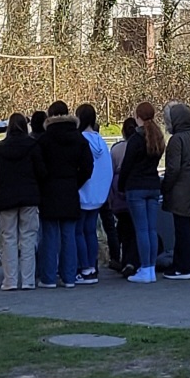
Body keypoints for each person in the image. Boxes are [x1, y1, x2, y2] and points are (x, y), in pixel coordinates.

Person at [36, 101, 94, 289]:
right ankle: (69, 277)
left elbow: (38, 167)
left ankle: (48, 278)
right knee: (69, 235)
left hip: (49, 191)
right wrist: (75, 182)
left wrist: (46, 181)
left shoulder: (44, 140)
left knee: (50, 236)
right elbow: (87, 167)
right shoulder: (79, 139)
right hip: (70, 189)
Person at [0, 113, 45, 290]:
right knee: (28, 239)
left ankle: (10, 280)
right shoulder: (33, 145)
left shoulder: (0, 148)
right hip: (29, 196)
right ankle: (28, 280)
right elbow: (41, 172)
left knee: (8, 239)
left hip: (6, 198)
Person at [119, 102, 166, 284]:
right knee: (152, 229)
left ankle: (145, 267)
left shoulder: (135, 139)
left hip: (136, 187)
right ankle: (150, 268)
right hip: (153, 185)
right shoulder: (157, 137)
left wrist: (121, 186)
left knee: (141, 230)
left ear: (137, 116)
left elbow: (127, 165)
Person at [161, 102, 190, 281]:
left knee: (181, 228)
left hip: (179, 188)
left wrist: (165, 187)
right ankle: (186, 263)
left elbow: (173, 168)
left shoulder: (176, 140)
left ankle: (182, 267)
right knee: (187, 226)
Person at [75, 104, 112, 285]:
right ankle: (92, 266)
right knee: (91, 231)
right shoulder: (101, 142)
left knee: (78, 232)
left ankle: (84, 268)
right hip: (98, 196)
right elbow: (107, 169)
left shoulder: (80, 140)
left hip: (82, 193)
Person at [109, 118, 140, 277]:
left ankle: (119, 258)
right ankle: (131, 261)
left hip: (118, 192)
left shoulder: (116, 149)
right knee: (134, 229)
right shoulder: (141, 146)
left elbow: (110, 170)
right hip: (135, 187)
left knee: (123, 226)